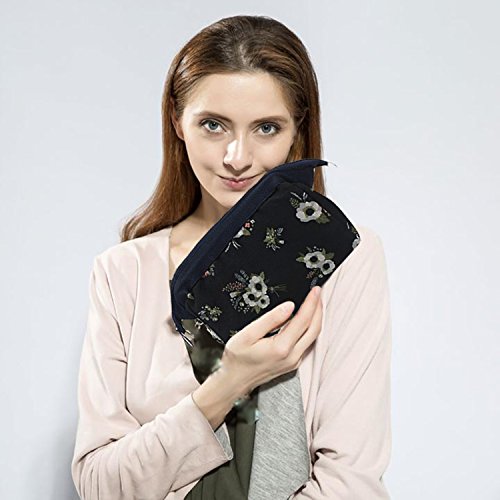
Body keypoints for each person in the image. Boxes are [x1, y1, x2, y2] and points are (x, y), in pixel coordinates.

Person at [71, 14, 392, 500]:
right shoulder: (124, 273)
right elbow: (101, 485)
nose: (237, 158)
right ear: (178, 122)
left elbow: (351, 484)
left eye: (266, 127)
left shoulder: (347, 259)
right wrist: (230, 381)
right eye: (213, 125)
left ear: (297, 131)